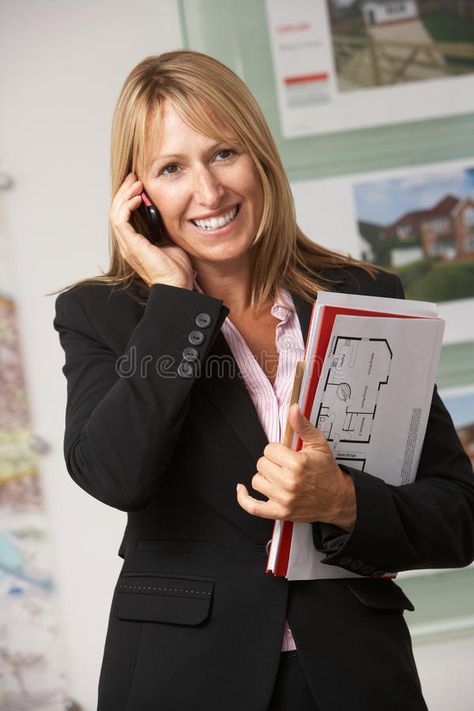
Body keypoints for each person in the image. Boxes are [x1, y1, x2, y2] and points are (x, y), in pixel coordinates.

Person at [53, 50, 474, 711]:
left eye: (224, 153)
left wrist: (342, 501)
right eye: (172, 168)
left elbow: (458, 515)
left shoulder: (364, 294)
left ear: (260, 156)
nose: (209, 191)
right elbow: (113, 473)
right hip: (184, 678)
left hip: (355, 676)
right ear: (139, 195)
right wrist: (172, 299)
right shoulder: (100, 314)